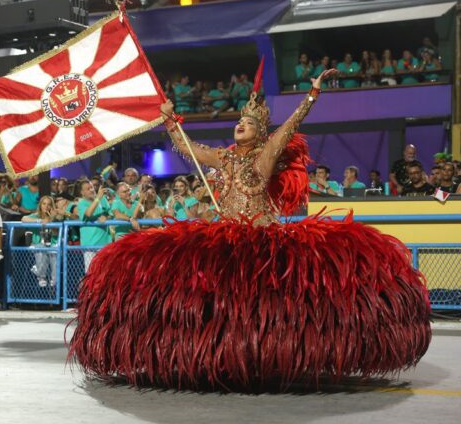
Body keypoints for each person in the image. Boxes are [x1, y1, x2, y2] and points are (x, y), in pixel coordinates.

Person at [69, 66, 430, 391]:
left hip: (261, 241)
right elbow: (187, 146)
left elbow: (290, 127)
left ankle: (272, 356)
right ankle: (216, 357)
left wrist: (312, 93)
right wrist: (168, 121)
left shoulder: (265, 154)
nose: (241, 124)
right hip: (224, 239)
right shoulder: (223, 157)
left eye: (250, 122)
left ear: (260, 133)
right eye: (239, 121)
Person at [22, 196, 60, 287]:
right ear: (40, 205)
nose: (46, 206)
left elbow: (56, 233)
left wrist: (51, 221)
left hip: (52, 244)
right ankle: (41, 276)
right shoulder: (36, 215)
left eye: (49, 204)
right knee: (41, 249)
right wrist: (40, 221)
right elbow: (23, 219)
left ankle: (53, 279)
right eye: (44, 204)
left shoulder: (55, 217)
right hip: (38, 244)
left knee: (54, 251)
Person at [76, 181, 112, 273]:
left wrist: (106, 217)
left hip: (105, 244)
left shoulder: (102, 199)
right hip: (90, 245)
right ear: (82, 192)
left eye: (92, 187)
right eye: (88, 189)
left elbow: (111, 214)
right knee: (90, 274)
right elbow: (88, 213)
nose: (92, 190)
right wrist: (98, 198)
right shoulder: (81, 203)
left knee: (105, 273)